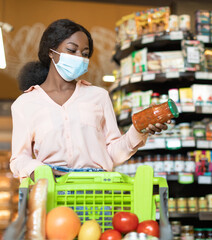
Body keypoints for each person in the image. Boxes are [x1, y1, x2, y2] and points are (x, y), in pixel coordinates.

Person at [10, 19, 169, 179]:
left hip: (97, 190)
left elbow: (113, 154)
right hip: (52, 188)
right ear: (51, 52)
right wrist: (39, 170)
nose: (79, 57)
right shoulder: (25, 104)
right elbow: (18, 159)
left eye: (85, 54)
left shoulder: (99, 96)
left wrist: (138, 131)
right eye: (72, 50)